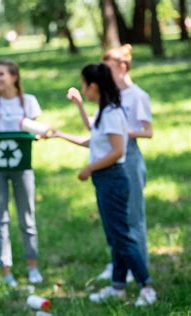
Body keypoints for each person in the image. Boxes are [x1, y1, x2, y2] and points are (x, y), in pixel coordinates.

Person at [50, 63, 156, 306]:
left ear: (93, 86)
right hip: (105, 179)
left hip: (112, 178)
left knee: (122, 235)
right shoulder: (104, 110)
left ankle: (147, 286)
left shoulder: (111, 113)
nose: (83, 89)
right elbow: (93, 139)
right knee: (116, 234)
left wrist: (89, 168)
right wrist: (60, 134)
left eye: (84, 84)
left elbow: (117, 151)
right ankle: (118, 287)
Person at [67, 44, 153, 282]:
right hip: (107, 166)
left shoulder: (131, 99)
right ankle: (120, 274)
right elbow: (96, 134)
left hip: (124, 161)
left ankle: (141, 274)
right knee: (115, 226)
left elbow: (131, 140)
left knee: (131, 220)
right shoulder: (107, 105)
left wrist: (120, 134)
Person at [0, 59, 43, 288]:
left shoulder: (29, 102)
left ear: (14, 77)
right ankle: (6, 269)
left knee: (27, 217)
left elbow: (34, 132)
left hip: (22, 166)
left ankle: (32, 265)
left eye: (1, 74)